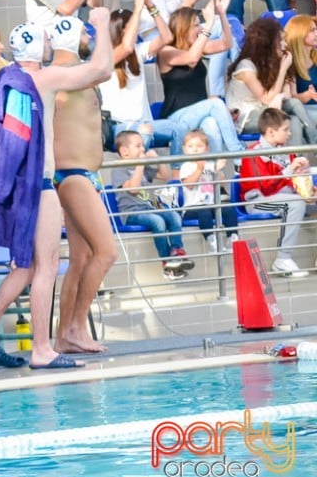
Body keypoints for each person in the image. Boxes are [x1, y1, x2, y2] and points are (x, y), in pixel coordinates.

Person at [0, 8, 114, 369]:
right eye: (46, 42)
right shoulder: (43, 80)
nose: (51, 46)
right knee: (48, 264)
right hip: (41, 183)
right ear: (38, 49)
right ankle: (43, 349)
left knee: (27, 265)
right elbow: (102, 69)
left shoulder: (8, 77)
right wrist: (102, 25)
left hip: (20, 183)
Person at [48, 17, 116, 354]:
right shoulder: (63, 75)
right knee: (107, 252)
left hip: (82, 174)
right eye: (86, 33)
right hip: (72, 175)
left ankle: (66, 334)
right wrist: (103, 25)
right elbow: (105, 68)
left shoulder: (72, 74)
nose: (90, 37)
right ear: (73, 38)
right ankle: (75, 326)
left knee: (82, 257)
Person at [137, 0, 233, 96]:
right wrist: (188, 2)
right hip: (158, 35)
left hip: (178, 30)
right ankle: (223, 88)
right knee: (214, 26)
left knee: (224, 25)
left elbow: (183, 17)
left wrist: (196, 0)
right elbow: (168, 23)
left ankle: (220, 90)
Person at [156, 0, 246, 160]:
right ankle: (239, 155)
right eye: (196, 25)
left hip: (201, 113)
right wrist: (209, 24)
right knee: (216, 103)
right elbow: (191, 59)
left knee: (212, 126)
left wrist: (222, 14)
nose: (199, 29)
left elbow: (226, 44)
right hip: (176, 117)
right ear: (183, 29)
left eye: (200, 25)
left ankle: (214, 178)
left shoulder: (196, 48)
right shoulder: (165, 52)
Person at [98, 0, 176, 150]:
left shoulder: (138, 51)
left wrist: (150, 6)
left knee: (179, 129)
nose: (137, 31)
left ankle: (177, 174)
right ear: (122, 32)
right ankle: (137, 174)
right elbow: (125, 47)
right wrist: (138, 7)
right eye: (133, 27)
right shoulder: (104, 58)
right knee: (144, 132)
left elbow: (167, 37)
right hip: (118, 127)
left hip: (144, 123)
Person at [239, 108, 312, 278]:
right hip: (258, 201)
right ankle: (283, 259)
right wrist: (290, 169)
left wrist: (308, 191)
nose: (290, 133)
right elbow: (265, 186)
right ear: (271, 132)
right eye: (285, 130)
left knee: (307, 201)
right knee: (295, 204)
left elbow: (290, 183)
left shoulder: (286, 152)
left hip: (283, 197)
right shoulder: (254, 153)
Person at [112, 130, 194, 280]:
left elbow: (166, 176)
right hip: (131, 213)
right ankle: (167, 263)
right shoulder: (119, 168)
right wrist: (140, 166)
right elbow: (134, 189)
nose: (143, 149)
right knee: (158, 222)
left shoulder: (141, 167)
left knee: (173, 216)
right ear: (125, 152)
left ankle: (177, 251)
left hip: (149, 208)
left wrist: (158, 159)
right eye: (138, 146)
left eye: (142, 146)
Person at [226, 17, 317, 146]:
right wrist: (283, 68)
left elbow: (287, 97)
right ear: (268, 45)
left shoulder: (271, 63)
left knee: (294, 112)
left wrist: (284, 72)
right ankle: (312, 148)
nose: (285, 44)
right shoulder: (246, 67)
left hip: (267, 109)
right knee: (291, 121)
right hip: (247, 117)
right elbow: (267, 99)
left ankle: (298, 160)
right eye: (281, 41)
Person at [179, 129, 240, 253]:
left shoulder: (210, 164)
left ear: (207, 148)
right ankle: (212, 241)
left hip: (211, 204)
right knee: (204, 212)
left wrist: (218, 170)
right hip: (193, 207)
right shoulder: (186, 166)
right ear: (185, 149)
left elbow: (221, 183)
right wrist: (199, 169)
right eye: (191, 146)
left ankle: (232, 238)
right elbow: (189, 185)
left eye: (199, 146)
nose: (195, 150)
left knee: (229, 209)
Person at [284, 13, 317, 125]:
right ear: (299, 34)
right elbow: (292, 98)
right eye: (312, 30)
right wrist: (309, 95)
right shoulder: (289, 61)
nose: (316, 33)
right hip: (303, 110)